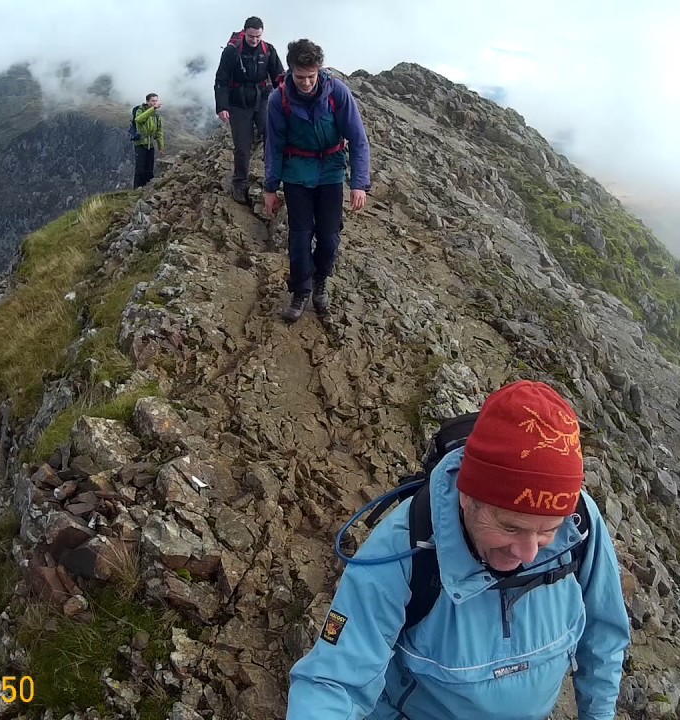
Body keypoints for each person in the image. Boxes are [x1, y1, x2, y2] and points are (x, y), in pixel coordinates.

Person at [286, 380, 632, 720]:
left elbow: (603, 637)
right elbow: (335, 681)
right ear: (467, 497)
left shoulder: (579, 524)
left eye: (547, 532)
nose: (529, 553)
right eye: (510, 527)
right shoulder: (403, 550)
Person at [264, 38, 371, 322]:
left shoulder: (338, 93)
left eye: (311, 76)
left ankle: (321, 279)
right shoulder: (279, 99)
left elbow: (358, 139)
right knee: (299, 236)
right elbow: (273, 145)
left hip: (331, 172)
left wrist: (359, 183)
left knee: (329, 235)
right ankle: (301, 290)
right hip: (297, 173)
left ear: (319, 70)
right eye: (300, 77)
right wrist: (270, 187)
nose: (307, 83)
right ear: (290, 71)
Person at [215, 16, 284, 203]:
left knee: (272, 135)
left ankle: (275, 176)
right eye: (251, 36)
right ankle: (239, 183)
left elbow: (279, 77)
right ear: (244, 32)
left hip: (262, 99)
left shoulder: (268, 50)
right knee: (243, 146)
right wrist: (222, 107)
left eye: (258, 36)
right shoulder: (232, 51)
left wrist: (287, 100)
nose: (254, 40)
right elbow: (221, 80)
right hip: (238, 103)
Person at [132, 93, 164, 188]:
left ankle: (147, 190)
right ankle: (137, 189)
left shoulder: (156, 116)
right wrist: (152, 109)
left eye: (156, 101)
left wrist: (161, 147)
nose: (155, 103)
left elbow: (159, 132)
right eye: (153, 101)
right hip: (140, 144)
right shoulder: (140, 110)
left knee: (149, 170)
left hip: (151, 145)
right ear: (147, 101)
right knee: (140, 170)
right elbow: (138, 119)